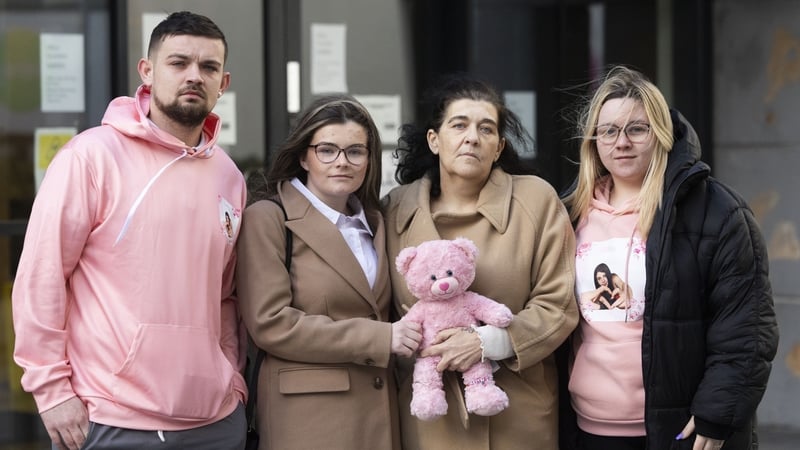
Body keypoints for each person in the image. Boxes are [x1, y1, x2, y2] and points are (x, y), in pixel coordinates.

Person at [12, 11, 247, 450]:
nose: (194, 76)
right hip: (112, 419)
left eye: (208, 67)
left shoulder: (229, 177)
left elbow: (225, 295)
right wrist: (50, 390)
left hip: (214, 423)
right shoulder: (91, 157)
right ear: (147, 71)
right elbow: (42, 277)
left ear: (223, 82)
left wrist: (231, 378)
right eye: (178, 63)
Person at [560, 65, 779, 450]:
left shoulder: (715, 211)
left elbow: (746, 327)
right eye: (608, 131)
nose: (621, 142)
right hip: (588, 428)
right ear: (593, 141)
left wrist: (717, 414)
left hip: (682, 432)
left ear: (662, 134)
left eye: (637, 129)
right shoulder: (568, 215)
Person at [382, 74, 579, 450]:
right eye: (459, 125)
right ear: (434, 140)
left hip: (516, 412)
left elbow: (559, 306)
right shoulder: (394, 209)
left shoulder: (536, 201)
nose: (472, 136)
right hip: (428, 414)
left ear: (499, 146)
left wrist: (486, 342)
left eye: (486, 129)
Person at [235, 94, 422, 450]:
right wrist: (381, 339)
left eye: (355, 151)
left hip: (380, 414)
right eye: (327, 150)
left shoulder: (377, 222)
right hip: (309, 417)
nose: (342, 162)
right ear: (304, 156)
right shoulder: (269, 219)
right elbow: (270, 323)